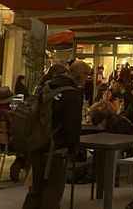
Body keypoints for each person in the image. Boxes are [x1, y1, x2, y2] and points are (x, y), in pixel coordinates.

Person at [22, 63, 83, 209]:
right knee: (52, 190)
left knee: (36, 189)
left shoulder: (46, 87)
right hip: (56, 148)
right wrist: (74, 148)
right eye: (87, 75)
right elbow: (72, 125)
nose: (87, 79)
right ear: (79, 75)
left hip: (37, 143)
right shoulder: (72, 94)